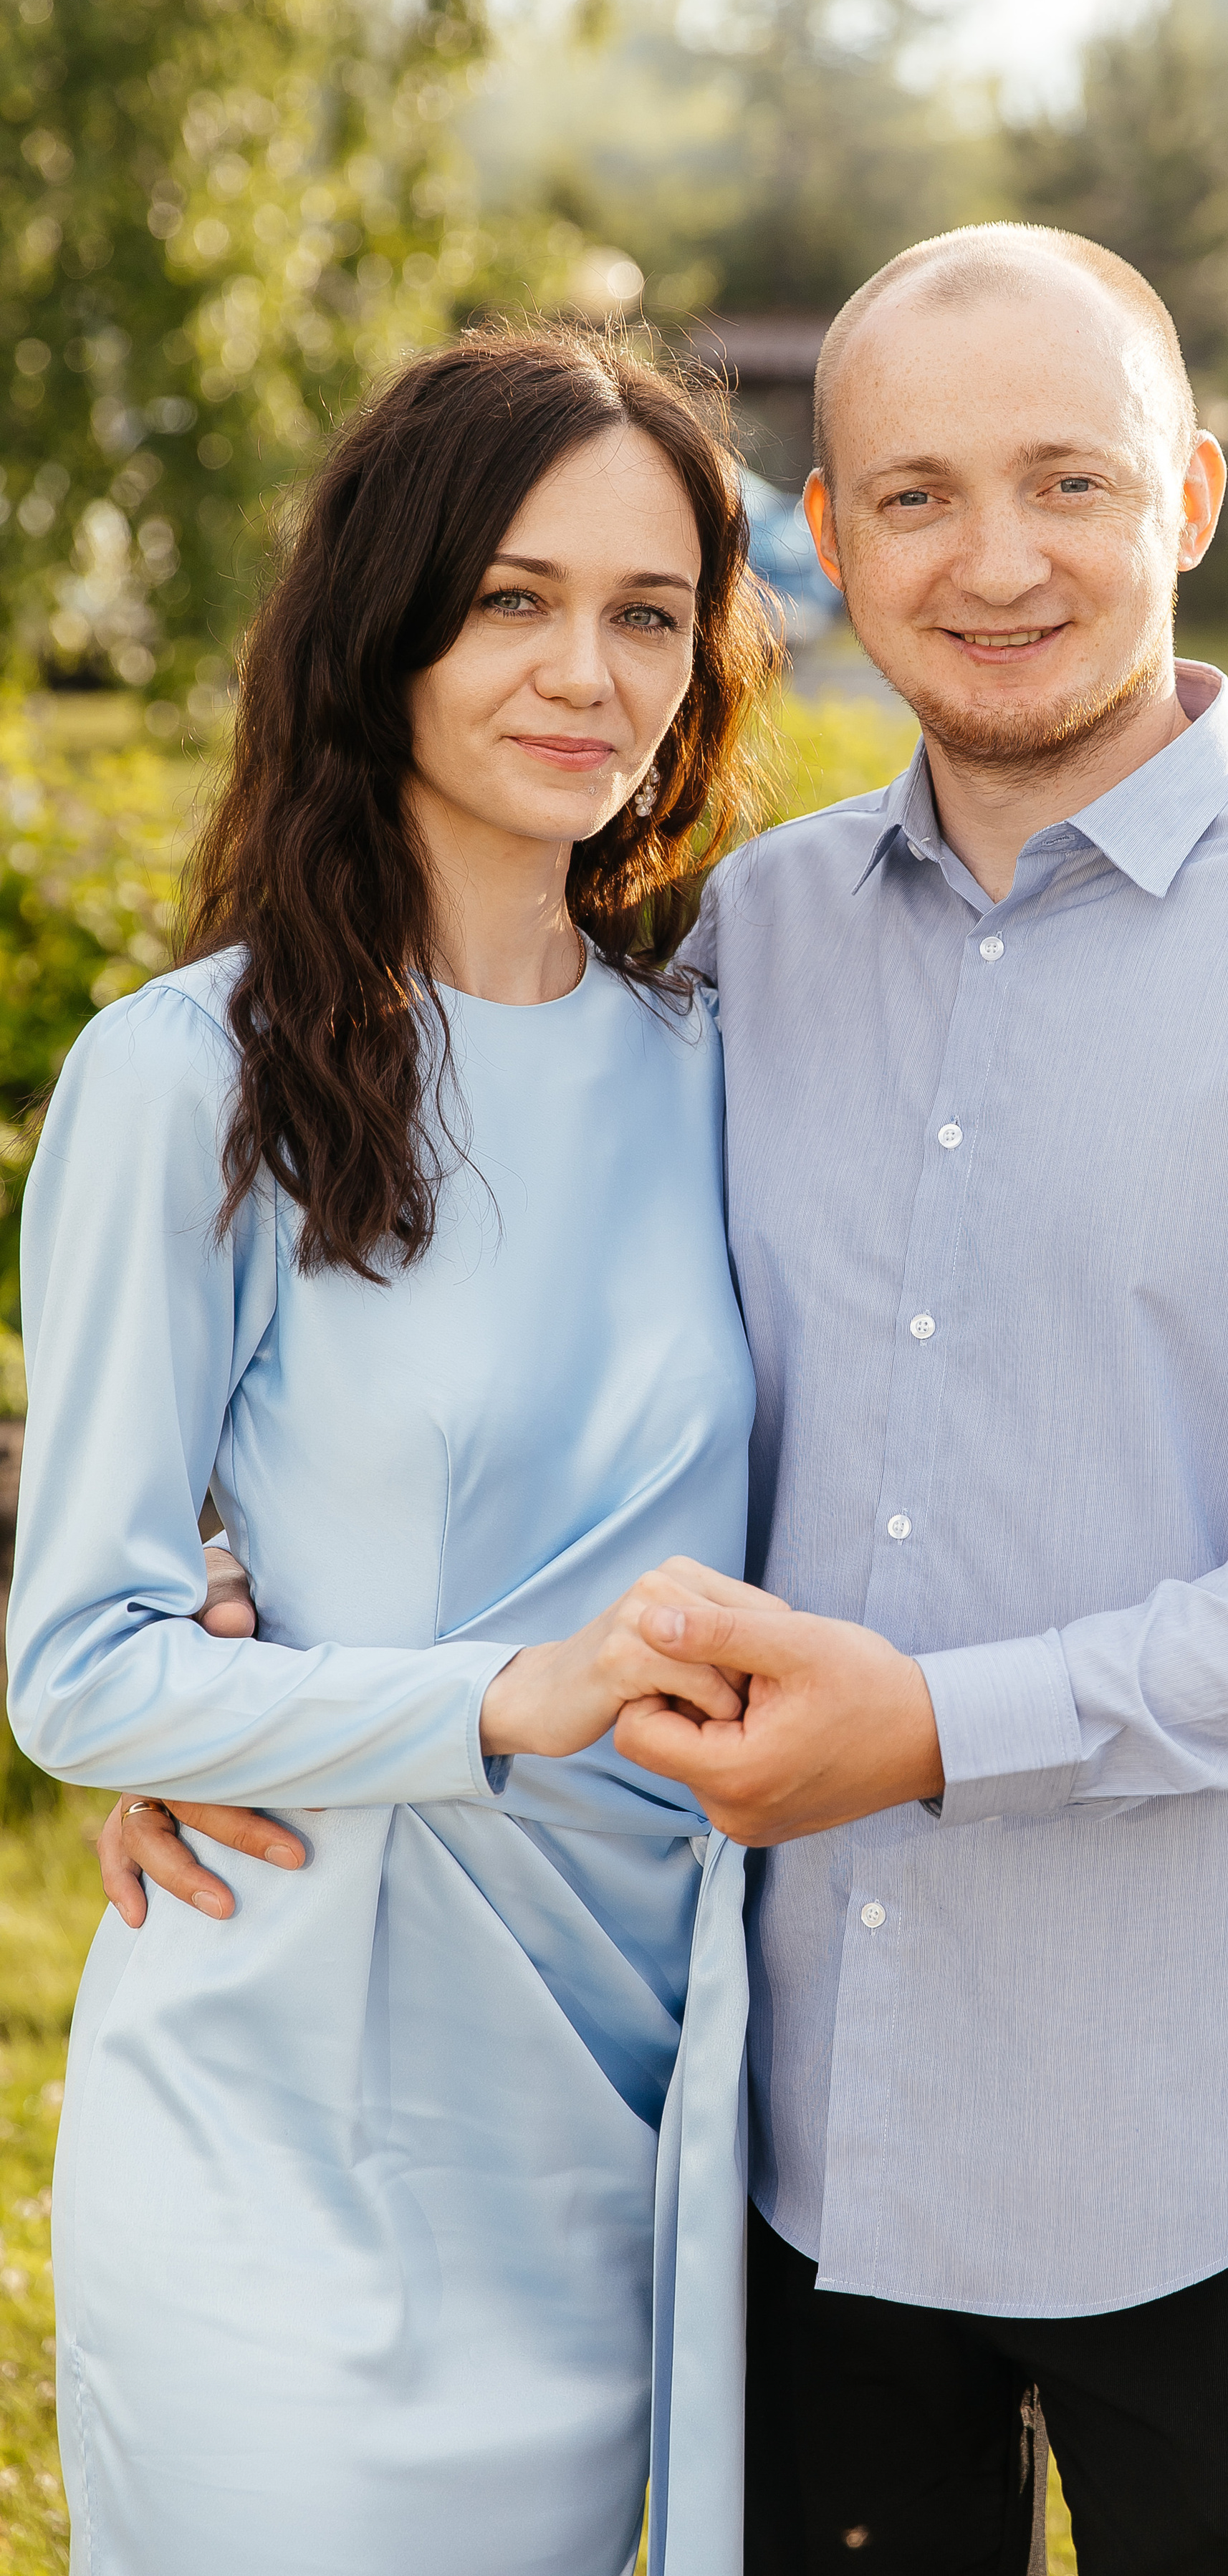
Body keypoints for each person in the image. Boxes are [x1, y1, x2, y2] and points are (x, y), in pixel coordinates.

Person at [100, 224, 1228, 2576]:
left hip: (1197, 2125)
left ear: (1189, 498)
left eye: (1068, 486)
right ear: (827, 530)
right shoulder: (727, 954)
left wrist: (945, 1723)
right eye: (913, 496)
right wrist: (229, 1628)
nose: (994, 563)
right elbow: (469, 1305)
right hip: (793, 2141)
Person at [7, 325, 780, 2576]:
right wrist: (485, 1698)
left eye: (649, 614)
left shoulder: (727, 1061)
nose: (588, 672)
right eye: (514, 599)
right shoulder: (194, 1075)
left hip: (654, 2092)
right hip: (303, 2114)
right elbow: (82, 1669)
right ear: (387, 624)